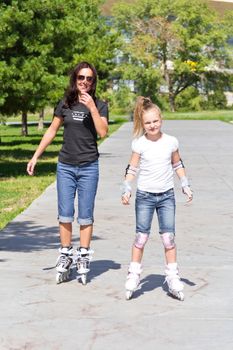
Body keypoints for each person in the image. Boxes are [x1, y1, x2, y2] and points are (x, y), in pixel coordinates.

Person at [27, 61, 108, 284]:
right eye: (81, 77)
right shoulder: (65, 103)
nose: (85, 82)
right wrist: (36, 156)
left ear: (94, 82)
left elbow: (102, 132)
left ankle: (83, 256)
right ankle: (65, 255)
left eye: (89, 78)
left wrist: (91, 106)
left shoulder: (100, 105)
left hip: (89, 166)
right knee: (64, 213)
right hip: (66, 166)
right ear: (75, 79)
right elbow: (52, 131)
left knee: (85, 214)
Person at [121, 96, 193, 300]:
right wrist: (126, 187)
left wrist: (185, 184)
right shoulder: (139, 144)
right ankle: (134, 274)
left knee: (168, 238)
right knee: (141, 237)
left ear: (161, 119)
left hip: (166, 196)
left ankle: (172, 276)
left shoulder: (171, 142)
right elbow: (132, 168)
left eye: (155, 121)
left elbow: (177, 164)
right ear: (142, 124)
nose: (152, 125)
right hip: (144, 196)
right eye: (148, 122)